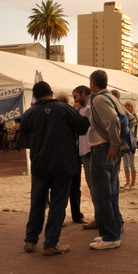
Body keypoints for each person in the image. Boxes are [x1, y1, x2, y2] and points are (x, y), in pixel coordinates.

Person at [17, 81, 89, 256]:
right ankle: (50, 243)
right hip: (63, 164)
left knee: (37, 203)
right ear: (51, 93)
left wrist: (38, 144)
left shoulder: (29, 113)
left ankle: (30, 240)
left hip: (40, 164)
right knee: (58, 204)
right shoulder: (64, 108)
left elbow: (22, 140)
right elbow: (82, 127)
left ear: (35, 96)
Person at [88, 70, 129, 250]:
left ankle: (110, 237)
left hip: (103, 150)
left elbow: (112, 120)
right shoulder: (113, 98)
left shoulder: (99, 99)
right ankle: (113, 230)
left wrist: (114, 143)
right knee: (111, 193)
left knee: (102, 195)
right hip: (111, 150)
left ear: (93, 84)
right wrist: (119, 143)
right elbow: (130, 118)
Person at [55, 90, 86, 224]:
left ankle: (61, 218)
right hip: (73, 154)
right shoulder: (71, 112)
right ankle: (76, 215)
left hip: (61, 156)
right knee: (74, 188)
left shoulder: (56, 114)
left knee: (61, 189)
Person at [73, 85, 98, 230]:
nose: (75, 100)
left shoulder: (91, 103)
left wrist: (77, 109)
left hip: (90, 150)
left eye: (76, 96)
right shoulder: (87, 104)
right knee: (92, 186)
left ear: (83, 93)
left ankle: (100, 218)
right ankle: (98, 217)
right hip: (85, 150)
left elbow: (87, 116)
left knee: (95, 186)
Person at [122, 101, 138, 189]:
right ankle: (127, 181)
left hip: (131, 140)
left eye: (129, 106)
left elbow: (133, 130)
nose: (127, 107)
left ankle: (133, 182)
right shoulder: (123, 116)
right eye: (126, 106)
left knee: (131, 162)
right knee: (125, 163)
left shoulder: (134, 117)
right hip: (124, 141)